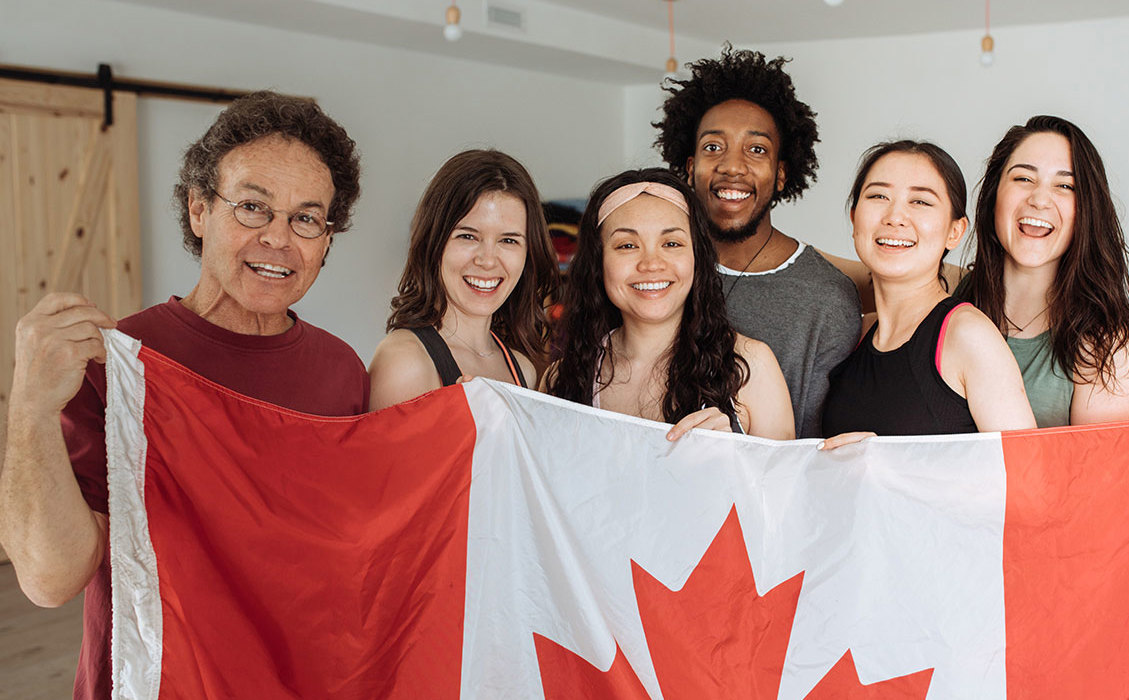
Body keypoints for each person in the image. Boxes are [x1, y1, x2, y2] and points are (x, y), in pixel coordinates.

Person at [0, 92, 369, 700]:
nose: (279, 239)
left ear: (327, 239)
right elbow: (49, 579)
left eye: (307, 218)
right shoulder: (118, 364)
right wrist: (31, 408)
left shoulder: (341, 372)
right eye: (252, 207)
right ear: (199, 209)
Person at [653, 46, 859, 438]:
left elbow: (810, 451)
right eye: (713, 147)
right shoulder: (654, 274)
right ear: (690, 166)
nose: (732, 166)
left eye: (757, 149)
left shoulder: (826, 299)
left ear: (781, 174)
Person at [542, 168, 794, 441]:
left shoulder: (751, 366)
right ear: (597, 263)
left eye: (672, 243)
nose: (651, 264)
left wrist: (738, 454)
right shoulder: (560, 378)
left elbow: (789, 482)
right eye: (627, 246)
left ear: (697, 257)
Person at [820, 141, 1035, 446]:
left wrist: (895, 469)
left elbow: (1028, 477)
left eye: (920, 201)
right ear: (855, 219)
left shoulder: (967, 336)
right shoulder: (856, 333)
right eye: (879, 196)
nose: (895, 217)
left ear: (955, 231)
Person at [955, 115, 1129, 428]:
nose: (1040, 199)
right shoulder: (950, 296)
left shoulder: (1106, 349)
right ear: (993, 196)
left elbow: (1100, 476)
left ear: (1087, 210)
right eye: (1023, 179)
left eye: (1065, 186)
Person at [368, 150, 558, 408]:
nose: (488, 260)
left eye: (509, 240)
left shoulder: (523, 370)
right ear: (435, 242)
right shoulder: (404, 362)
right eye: (468, 236)